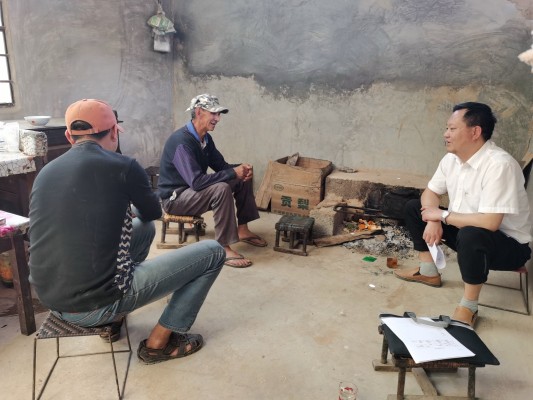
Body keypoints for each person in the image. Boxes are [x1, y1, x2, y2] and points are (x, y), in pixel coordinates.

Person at [29, 99, 225, 364]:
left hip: (51, 299)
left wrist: (115, 207)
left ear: (68, 136)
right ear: (113, 132)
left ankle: (113, 322)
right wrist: (126, 203)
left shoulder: (46, 172)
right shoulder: (124, 166)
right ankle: (158, 343)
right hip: (95, 304)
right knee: (213, 252)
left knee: (142, 229)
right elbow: (152, 213)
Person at [394, 102, 532, 327]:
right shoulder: (452, 159)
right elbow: (430, 192)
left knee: (471, 234)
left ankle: (469, 306)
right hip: (467, 232)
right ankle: (428, 271)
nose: (445, 134)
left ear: (475, 132)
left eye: (452, 129)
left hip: (508, 246)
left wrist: (442, 216)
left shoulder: (499, 165)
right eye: (446, 128)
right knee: (413, 207)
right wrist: (433, 218)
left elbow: (490, 222)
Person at [157, 93, 267, 268]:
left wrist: (241, 169)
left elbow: (222, 166)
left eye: (219, 114)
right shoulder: (181, 142)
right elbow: (197, 182)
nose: (218, 118)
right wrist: (233, 172)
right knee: (221, 188)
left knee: (242, 178)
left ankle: (243, 230)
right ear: (199, 112)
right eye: (213, 113)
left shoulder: (205, 139)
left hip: (193, 192)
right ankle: (223, 247)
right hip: (176, 199)